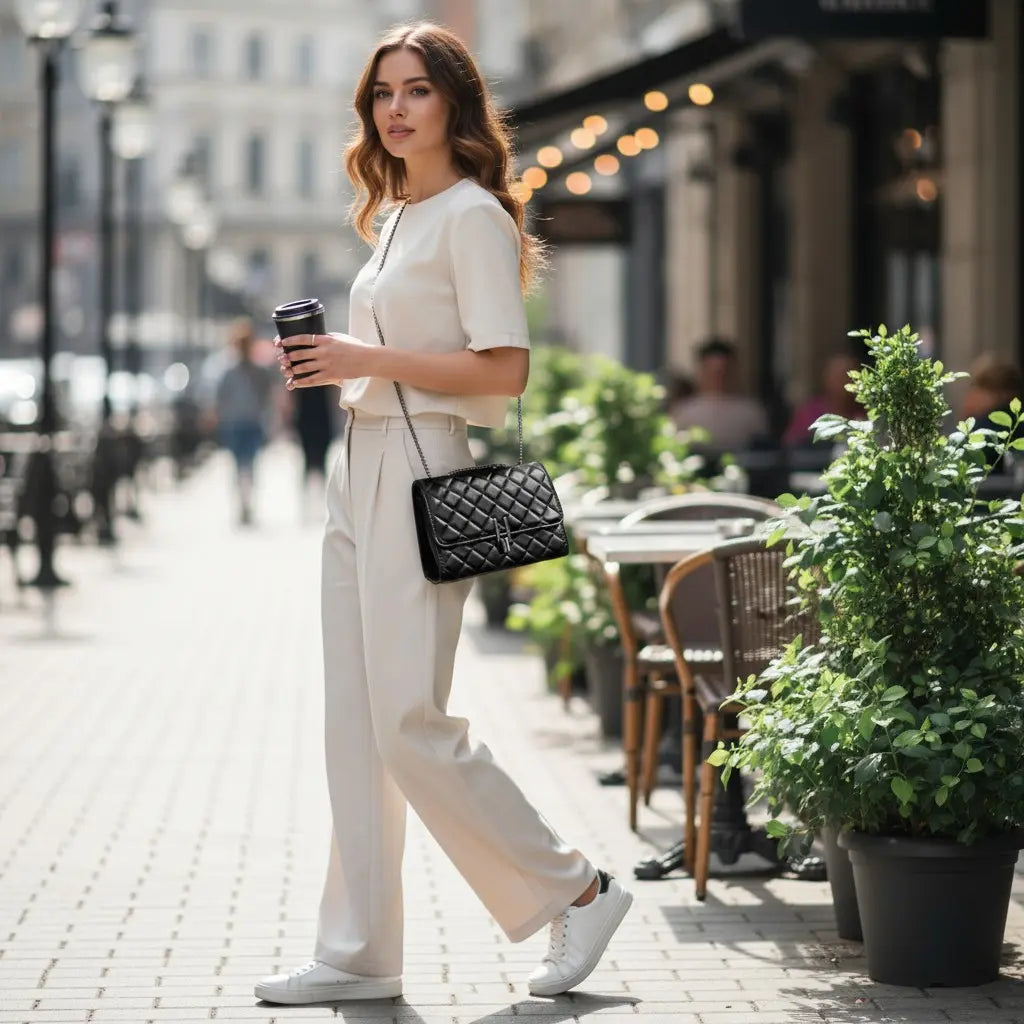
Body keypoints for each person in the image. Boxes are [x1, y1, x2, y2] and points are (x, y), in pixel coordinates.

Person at [254, 22, 632, 1007]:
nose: (395, 107)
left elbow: (502, 371)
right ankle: (358, 950)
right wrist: (341, 369)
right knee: (355, 725)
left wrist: (364, 359)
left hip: (422, 470)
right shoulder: (395, 216)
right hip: (360, 463)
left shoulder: (470, 215)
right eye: (382, 92)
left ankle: (576, 888)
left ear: (454, 103)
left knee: (409, 722)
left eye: (416, 90)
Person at [213, 318, 276, 525]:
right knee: (239, 465)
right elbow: (220, 399)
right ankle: (242, 503)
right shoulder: (227, 371)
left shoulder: (260, 371)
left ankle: (247, 502)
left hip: (252, 422)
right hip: (234, 423)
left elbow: (268, 396)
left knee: (250, 465)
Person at [670, 338, 769, 455]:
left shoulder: (751, 411)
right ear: (701, 370)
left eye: (723, 371)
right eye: (713, 372)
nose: (718, 377)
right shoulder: (683, 411)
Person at [783, 351, 861, 448]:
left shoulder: (863, 413)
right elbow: (791, 444)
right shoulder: (810, 411)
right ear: (826, 378)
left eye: (847, 377)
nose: (842, 382)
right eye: (836, 377)